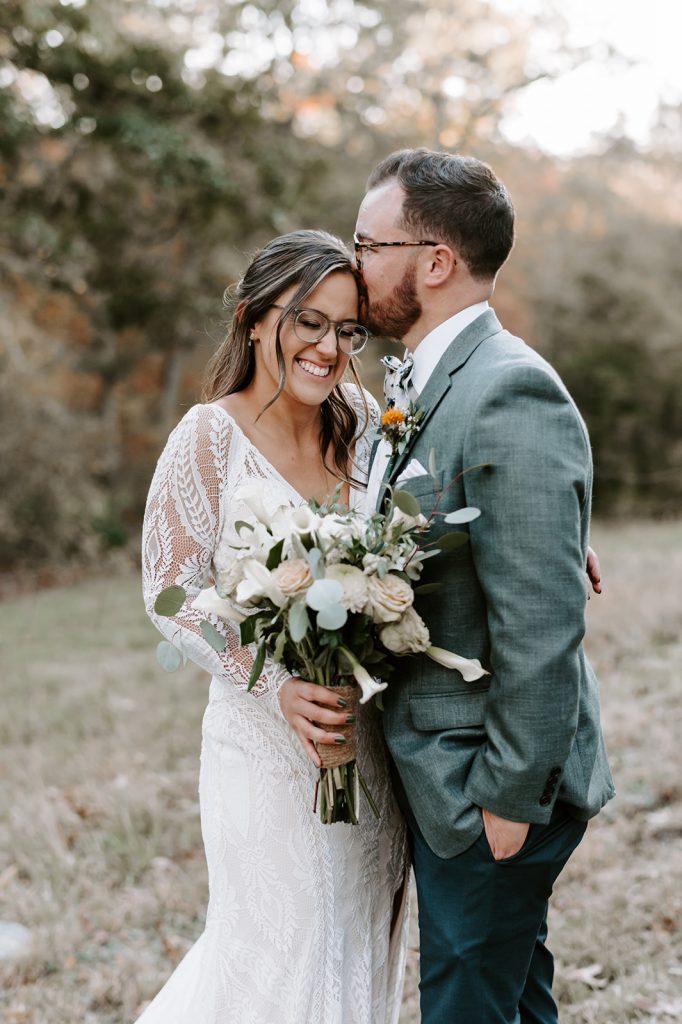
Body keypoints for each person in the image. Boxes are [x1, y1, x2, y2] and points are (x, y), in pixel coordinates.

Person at [355, 149, 615, 1024]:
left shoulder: (508, 391)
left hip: (489, 785)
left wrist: (505, 802)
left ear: (434, 261)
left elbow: (542, 624)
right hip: (453, 777)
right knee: (512, 1003)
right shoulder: (431, 385)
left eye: (369, 242)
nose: (356, 264)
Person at [139, 230, 409, 1024]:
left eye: (346, 328)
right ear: (256, 319)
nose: (328, 348)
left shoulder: (363, 421)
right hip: (263, 752)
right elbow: (165, 592)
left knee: (356, 949)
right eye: (308, 322)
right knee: (274, 959)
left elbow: (435, 513)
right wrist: (274, 679)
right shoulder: (207, 438)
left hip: (367, 748)